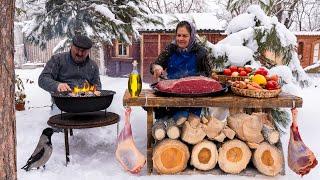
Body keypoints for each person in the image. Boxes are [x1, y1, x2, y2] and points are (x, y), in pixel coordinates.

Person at [150, 20, 214, 121]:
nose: (180, 39)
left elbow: (208, 75)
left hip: (193, 102)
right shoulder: (170, 49)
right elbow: (155, 65)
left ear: (191, 36)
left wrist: (196, 78)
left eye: (185, 36)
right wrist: (156, 67)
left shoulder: (201, 52)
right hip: (171, 99)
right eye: (178, 35)